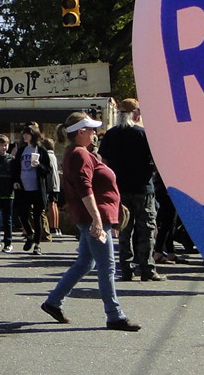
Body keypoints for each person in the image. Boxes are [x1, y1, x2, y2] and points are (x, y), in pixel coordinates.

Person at [39, 112, 141, 332]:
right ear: (81, 132)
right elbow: (85, 189)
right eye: (91, 129)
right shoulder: (80, 155)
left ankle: (53, 301)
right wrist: (96, 218)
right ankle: (114, 315)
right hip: (94, 217)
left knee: (86, 262)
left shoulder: (77, 153)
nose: (95, 133)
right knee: (107, 267)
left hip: (90, 216)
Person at [98, 98, 163, 282]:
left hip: (120, 189)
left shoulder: (111, 135)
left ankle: (125, 268)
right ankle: (147, 268)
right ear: (136, 114)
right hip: (144, 188)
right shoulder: (143, 134)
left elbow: (105, 164)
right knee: (147, 228)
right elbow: (156, 161)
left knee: (124, 228)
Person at [13, 124, 53, 255]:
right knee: (22, 215)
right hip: (23, 188)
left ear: (34, 135)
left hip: (37, 189)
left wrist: (39, 165)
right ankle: (29, 234)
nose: (24, 136)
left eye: (27, 134)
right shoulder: (21, 150)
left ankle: (37, 244)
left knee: (37, 217)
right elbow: (15, 168)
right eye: (23, 134)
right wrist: (15, 181)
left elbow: (48, 169)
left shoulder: (40, 150)